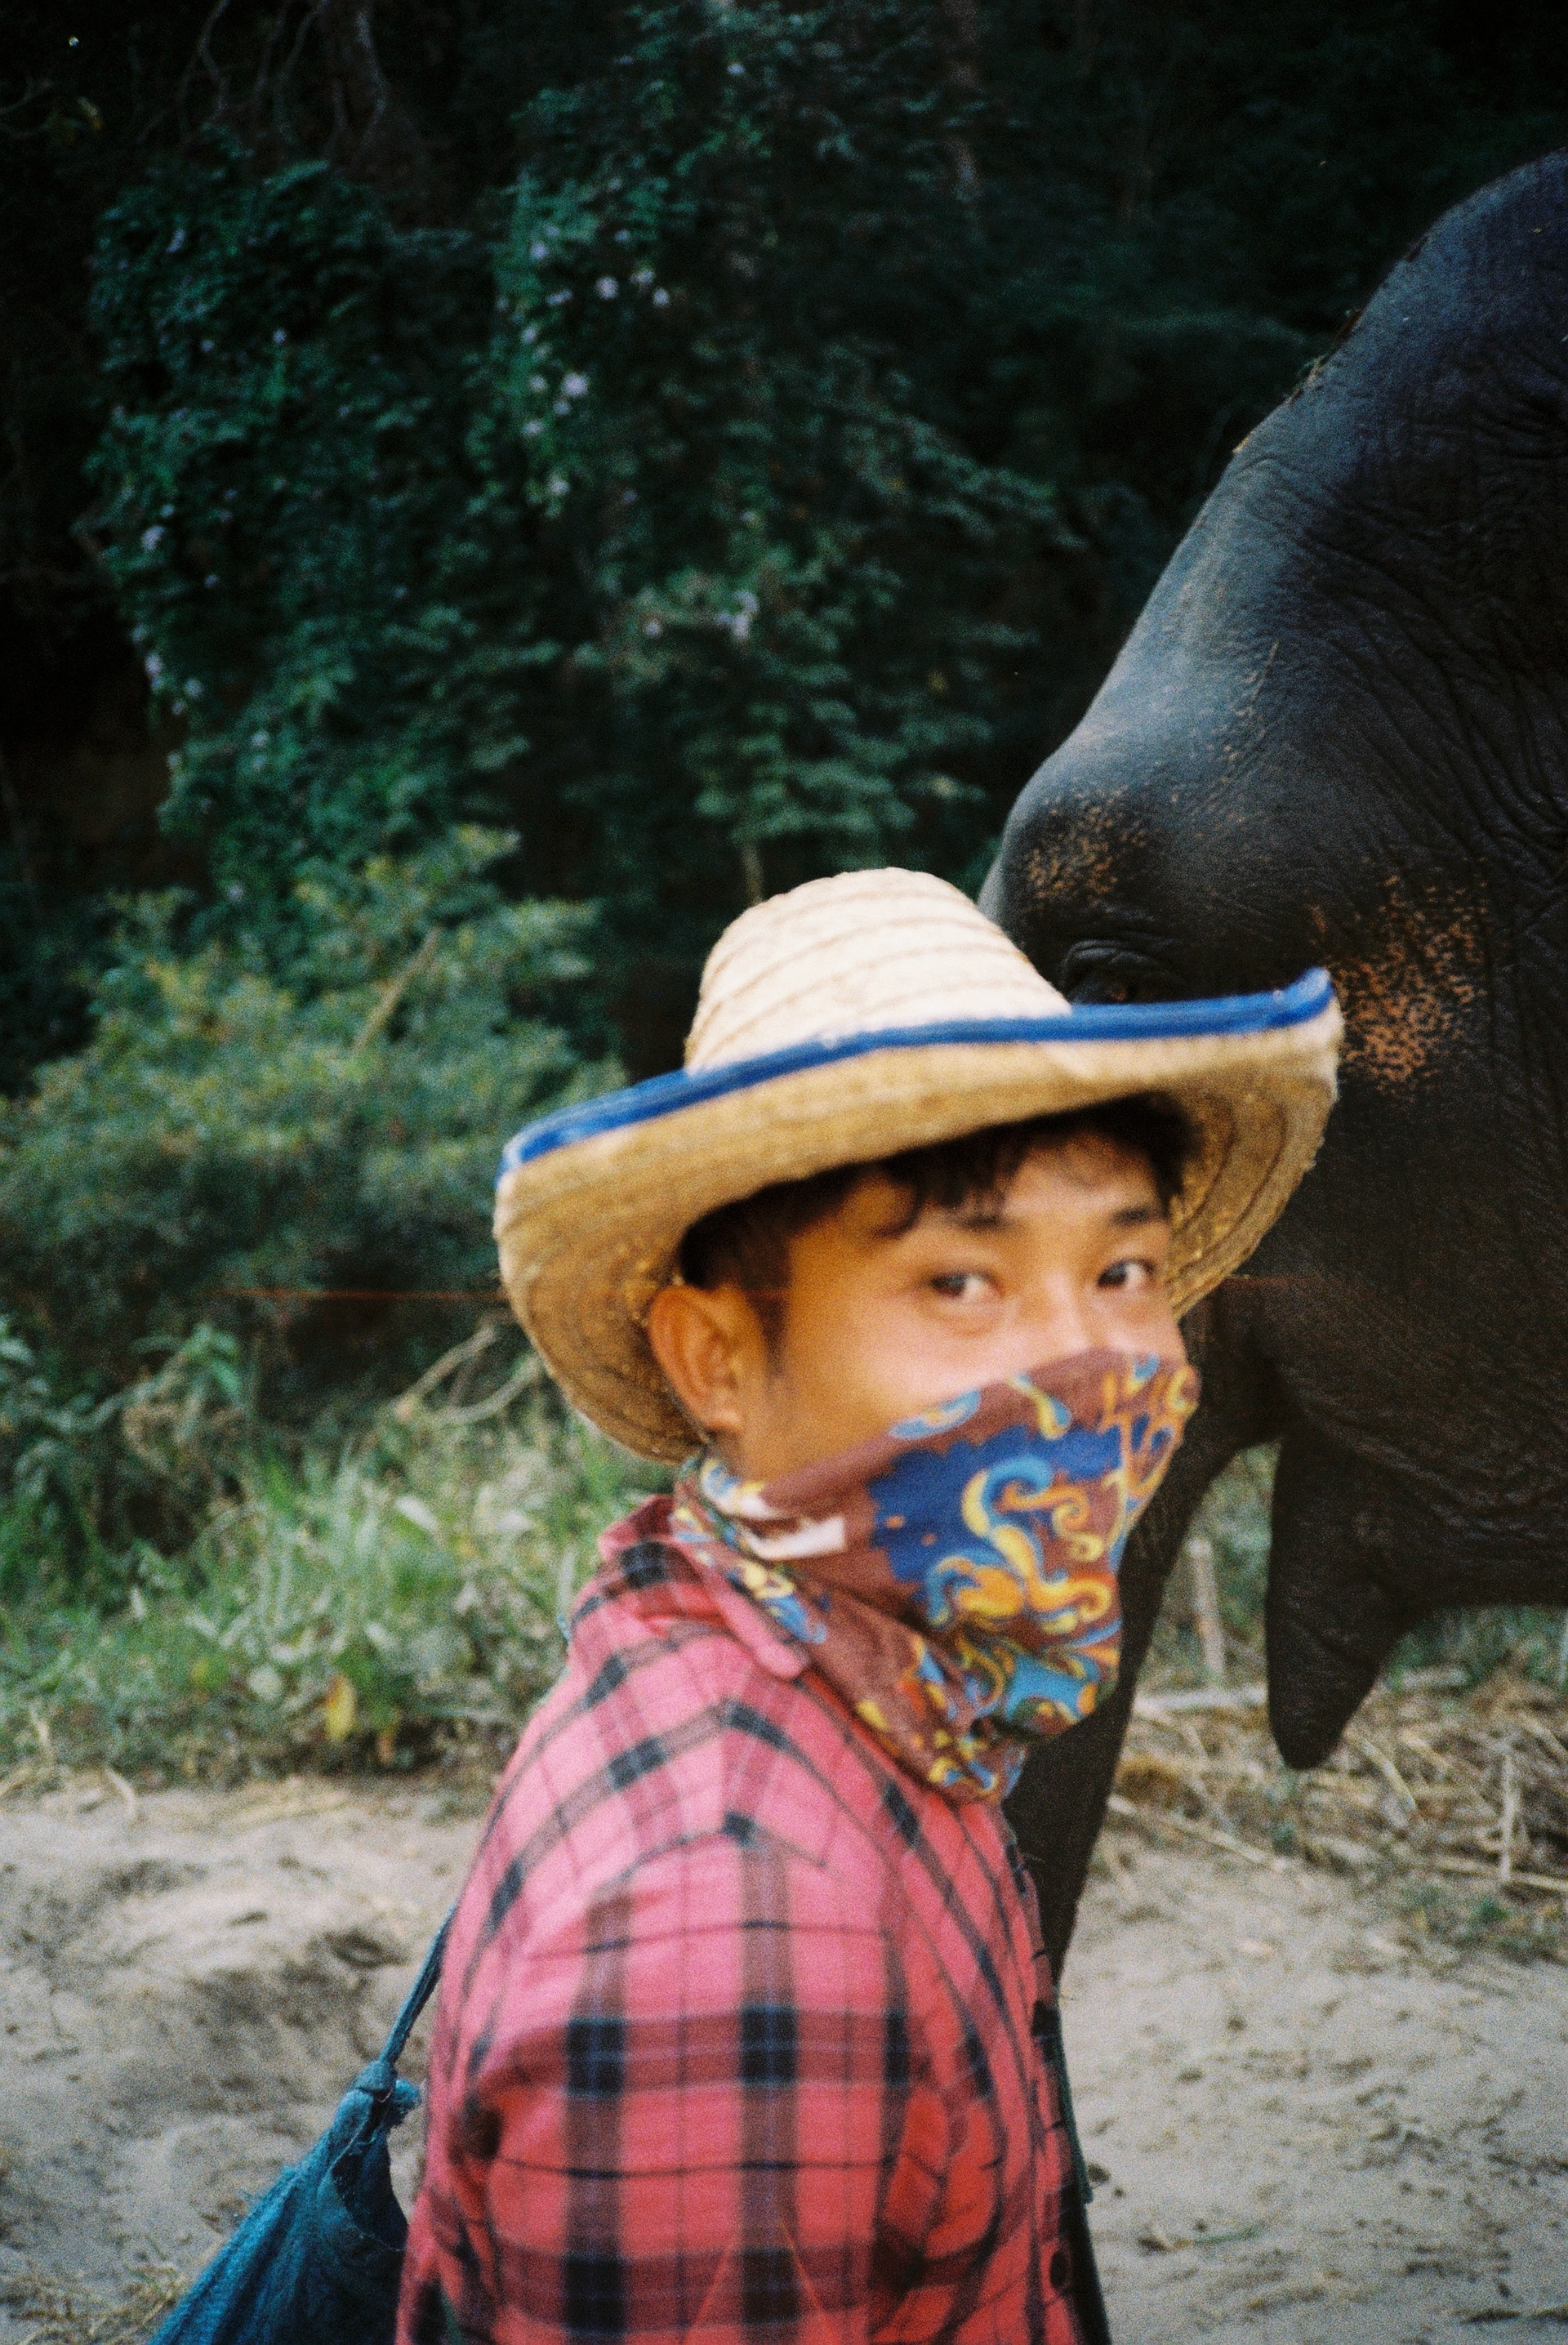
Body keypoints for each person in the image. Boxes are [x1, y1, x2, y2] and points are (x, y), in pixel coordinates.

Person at [399, 868, 1340, 2345]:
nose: (1087, 1360)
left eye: (1125, 1267)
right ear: (715, 1358)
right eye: (961, 1281)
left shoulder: (871, 1686)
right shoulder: (735, 1927)